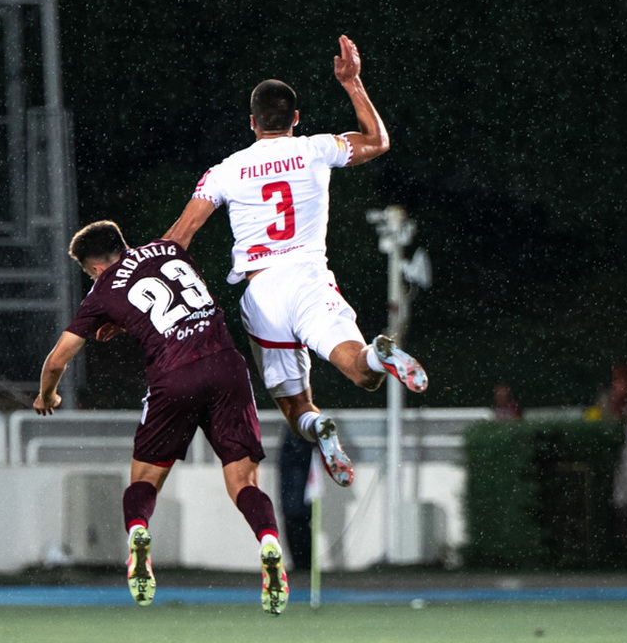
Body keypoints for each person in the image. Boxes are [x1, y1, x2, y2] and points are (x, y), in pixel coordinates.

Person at [163, 34, 428, 489]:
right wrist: (353, 82)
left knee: (293, 407)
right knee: (362, 372)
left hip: (262, 294)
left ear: (252, 123)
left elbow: (177, 239)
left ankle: (318, 426)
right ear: (296, 119)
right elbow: (378, 140)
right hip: (308, 278)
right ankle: (379, 352)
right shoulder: (315, 148)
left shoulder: (224, 171)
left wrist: (131, 292)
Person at [33, 220, 289, 615]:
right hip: (225, 366)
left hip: (175, 378)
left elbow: (57, 359)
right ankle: (269, 541)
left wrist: (47, 394)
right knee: (244, 481)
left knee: (146, 479)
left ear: (95, 268)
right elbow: (164, 292)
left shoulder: (102, 290)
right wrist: (126, 321)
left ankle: (138, 533)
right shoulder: (169, 249)